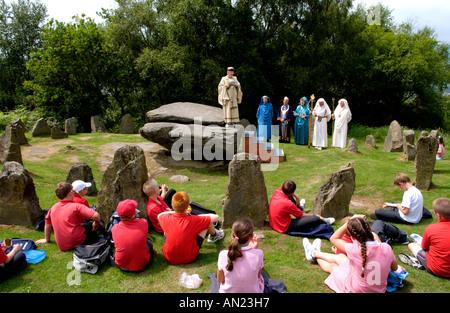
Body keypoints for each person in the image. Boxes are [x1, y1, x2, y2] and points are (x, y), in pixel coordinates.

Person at [306, 214, 398, 293]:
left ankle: (314, 256)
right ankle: (315, 253)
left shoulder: (355, 250)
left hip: (357, 290)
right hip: (378, 290)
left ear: (353, 236)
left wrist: (350, 221)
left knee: (334, 267)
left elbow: (333, 238)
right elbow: (394, 268)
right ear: (369, 228)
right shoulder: (386, 248)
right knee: (341, 257)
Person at [158, 191, 225, 265]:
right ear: (187, 206)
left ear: (172, 205)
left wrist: (174, 211)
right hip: (189, 257)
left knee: (166, 228)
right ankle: (215, 235)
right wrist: (198, 217)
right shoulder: (194, 219)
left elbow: (160, 215)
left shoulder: (165, 217)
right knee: (206, 222)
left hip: (169, 257)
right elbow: (216, 217)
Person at [36, 182, 105, 251]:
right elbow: (96, 215)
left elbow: (47, 224)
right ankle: (103, 242)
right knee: (99, 223)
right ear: (70, 193)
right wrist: (96, 222)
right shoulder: (76, 206)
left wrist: (46, 239)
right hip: (77, 241)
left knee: (86, 225)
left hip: (62, 245)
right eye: (73, 191)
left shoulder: (53, 208)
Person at [268, 180, 335, 235]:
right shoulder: (288, 203)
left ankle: (300, 209)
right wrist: (317, 216)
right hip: (284, 227)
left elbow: (289, 193)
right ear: (292, 192)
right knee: (314, 218)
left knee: (290, 198)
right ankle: (324, 220)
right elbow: (301, 215)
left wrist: (297, 197)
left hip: (274, 223)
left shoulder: (277, 191)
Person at [217, 218, 264, 293]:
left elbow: (220, 280)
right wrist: (253, 250)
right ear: (251, 236)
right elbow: (257, 276)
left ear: (232, 235)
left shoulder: (223, 254)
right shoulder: (259, 254)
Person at [407, 198, 450, 278]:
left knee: (412, 245)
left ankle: (419, 260)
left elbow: (424, 248)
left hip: (438, 269)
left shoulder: (431, 228)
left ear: (438, 215)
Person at [111, 199, 152, 272]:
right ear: (134, 213)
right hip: (142, 263)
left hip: (122, 265)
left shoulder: (114, 229)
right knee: (149, 243)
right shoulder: (143, 222)